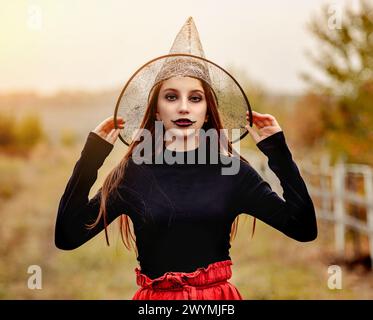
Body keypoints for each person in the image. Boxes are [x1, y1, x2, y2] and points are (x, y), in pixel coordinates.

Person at [54, 17, 317, 300]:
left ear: (207, 110)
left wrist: (278, 151)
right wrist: (91, 158)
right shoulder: (135, 173)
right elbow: (68, 235)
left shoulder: (231, 172)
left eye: (195, 98)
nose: (183, 107)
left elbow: (302, 227)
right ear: (156, 110)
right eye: (171, 97)